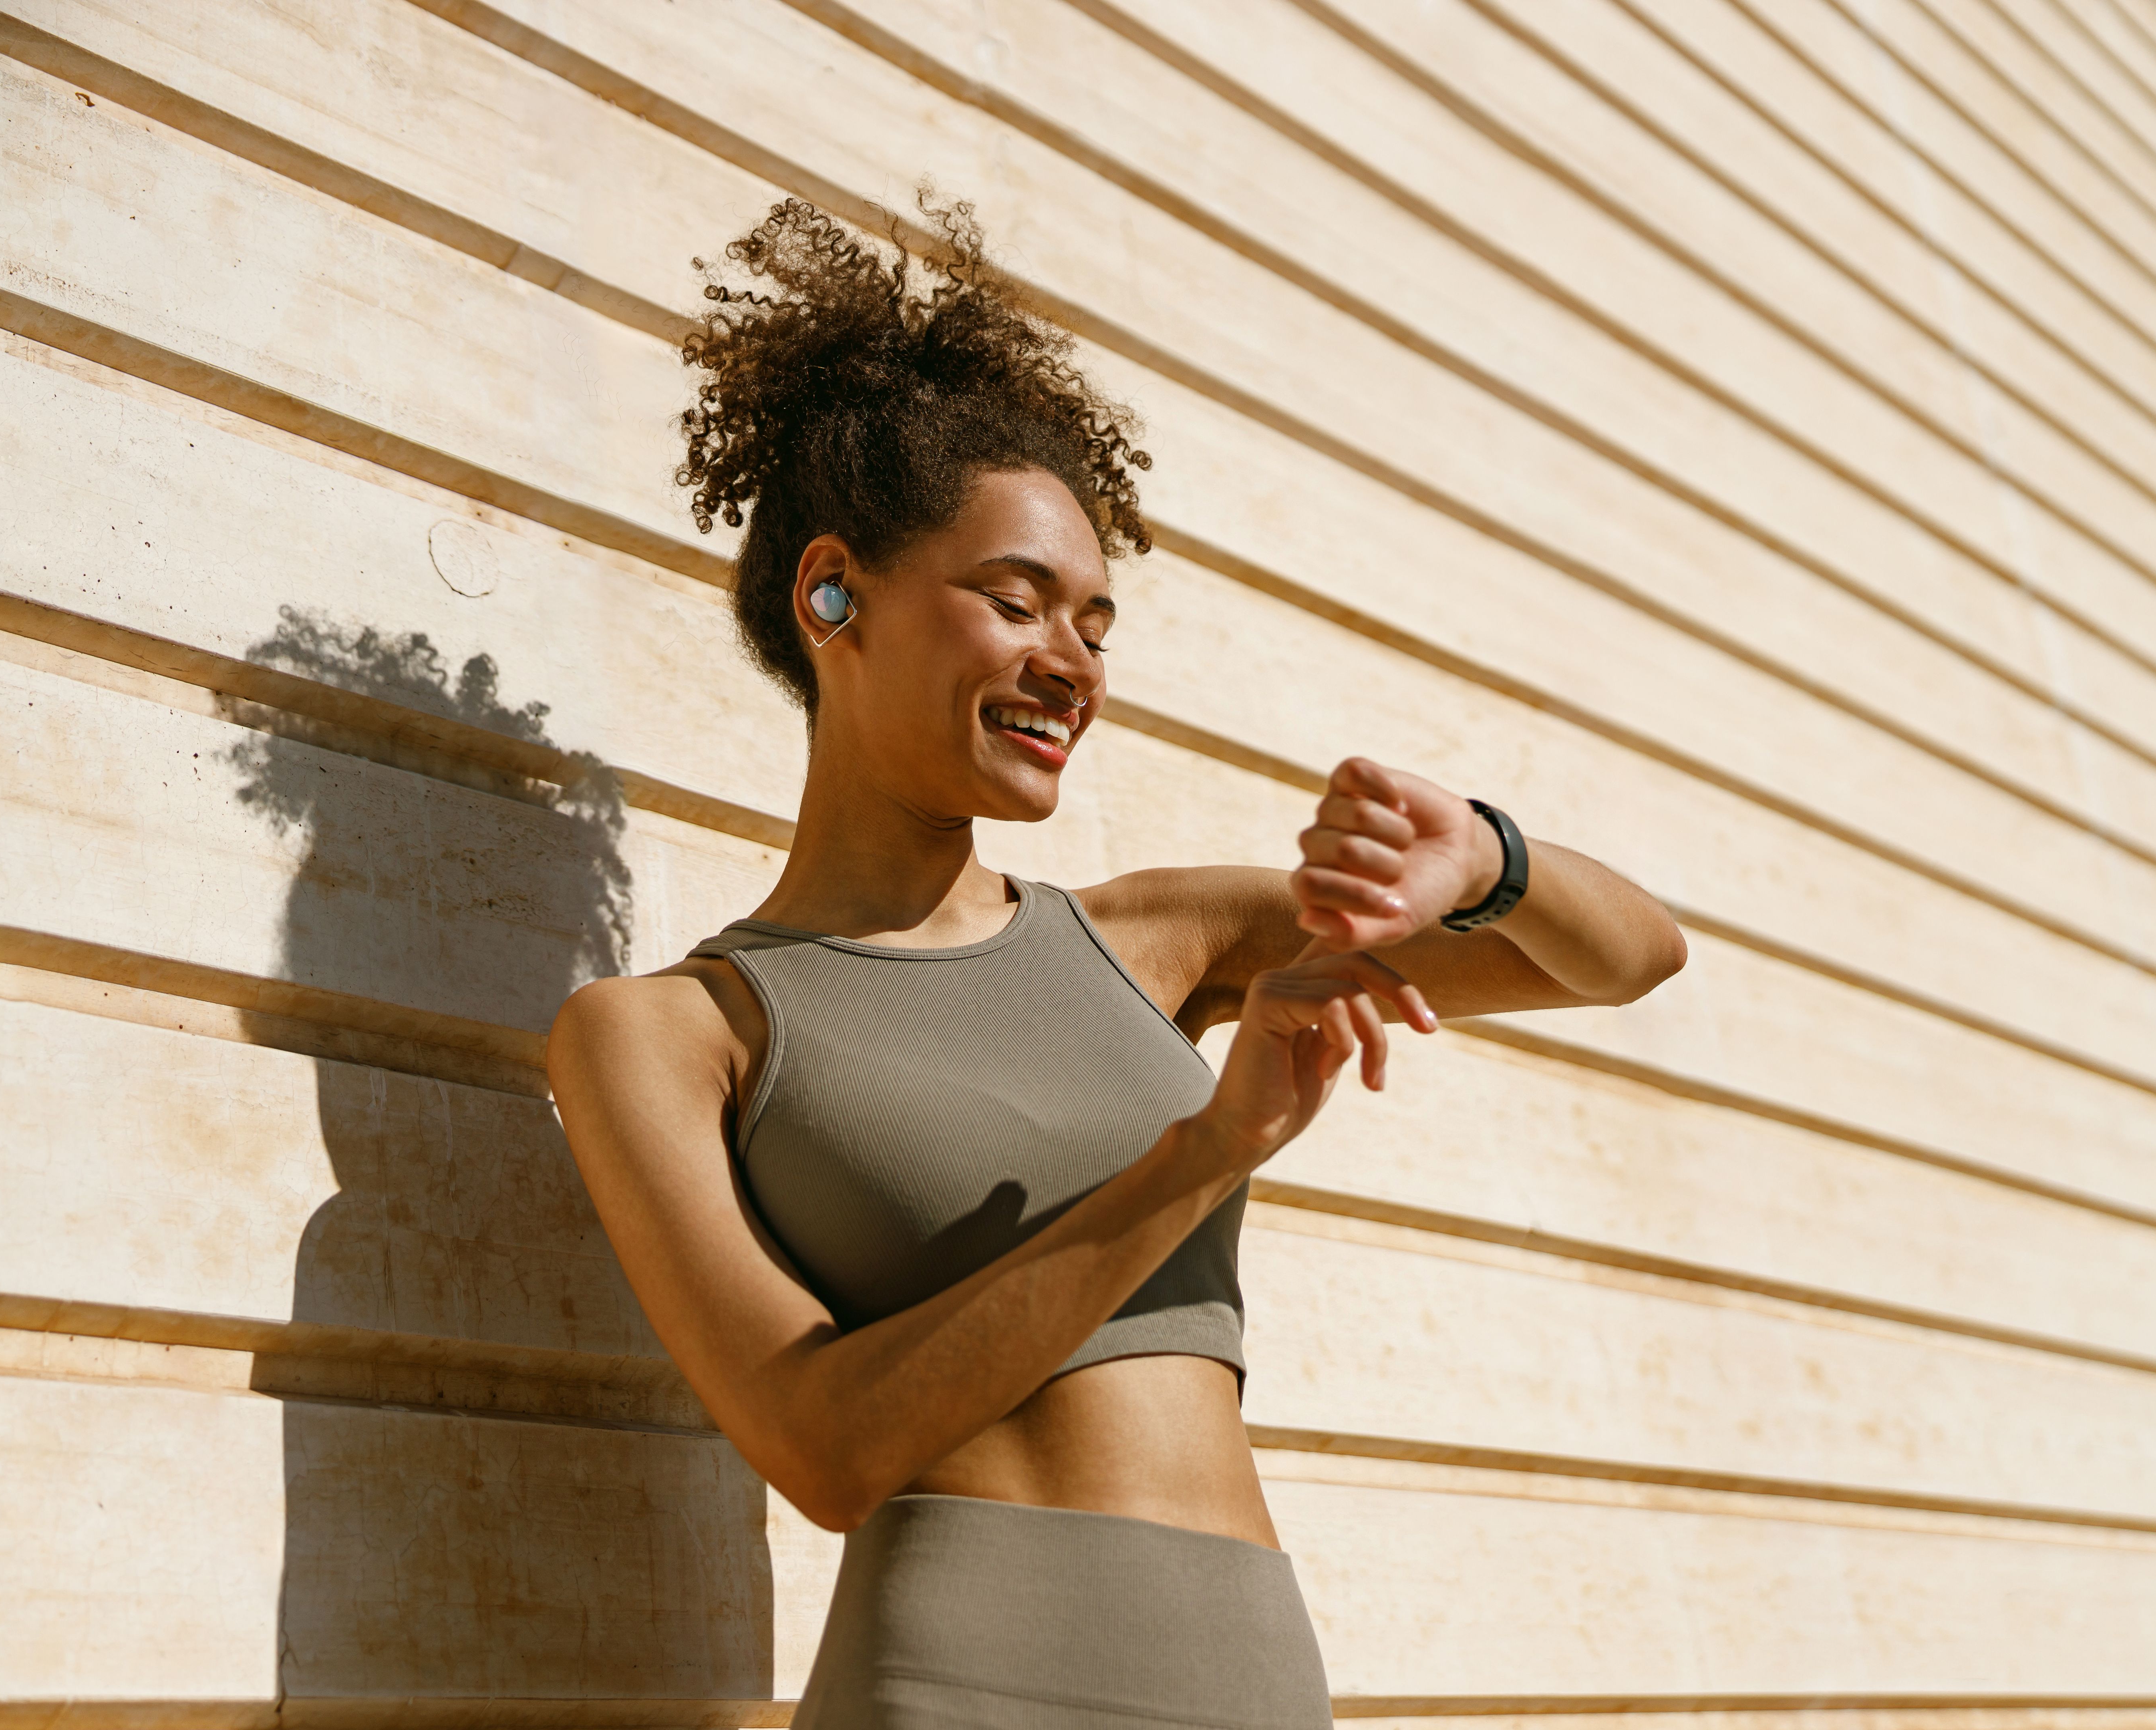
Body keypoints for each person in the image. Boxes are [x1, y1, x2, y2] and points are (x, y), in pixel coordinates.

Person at [546, 195, 1687, 1729]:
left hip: (1248, 1671)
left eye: (1093, 623)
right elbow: (821, 1449)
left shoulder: (1155, 939)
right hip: (955, 1679)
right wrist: (1204, 1153)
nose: (1070, 664)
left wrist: (1483, 856)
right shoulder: (670, 1031)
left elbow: (1625, 960)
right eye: (1013, 603)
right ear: (833, 594)